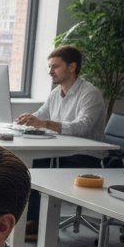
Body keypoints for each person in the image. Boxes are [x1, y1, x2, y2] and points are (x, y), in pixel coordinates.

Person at [16, 44, 108, 232]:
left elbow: (82, 127)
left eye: (55, 66)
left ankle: (38, 225)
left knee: (37, 166)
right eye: (49, 67)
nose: (50, 72)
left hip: (85, 154)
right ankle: (34, 222)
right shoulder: (55, 94)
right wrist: (26, 119)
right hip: (61, 150)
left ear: (72, 67)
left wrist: (45, 123)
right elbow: (41, 115)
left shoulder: (90, 93)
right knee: (29, 166)